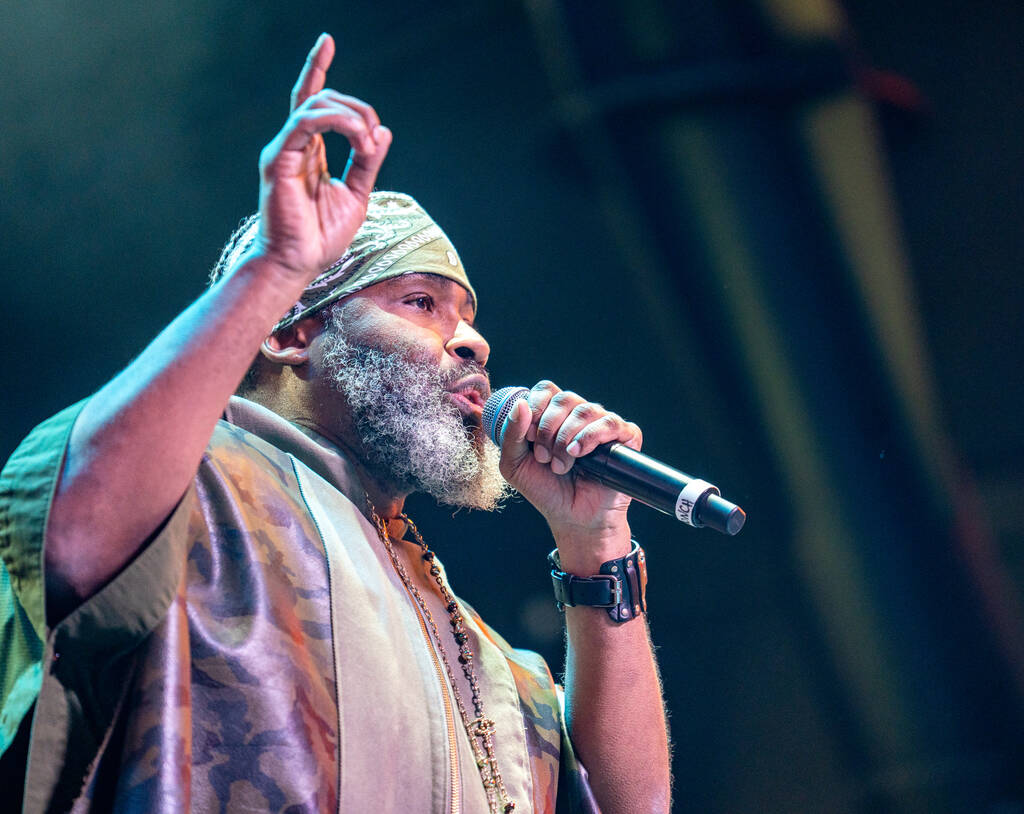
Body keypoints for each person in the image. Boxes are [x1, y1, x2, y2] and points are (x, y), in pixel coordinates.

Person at [0, 34, 670, 813]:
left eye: (468, 318)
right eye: (421, 303)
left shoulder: (478, 650)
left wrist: (596, 545)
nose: (472, 340)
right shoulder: (200, 484)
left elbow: (633, 806)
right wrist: (277, 265)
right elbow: (74, 524)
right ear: (289, 334)